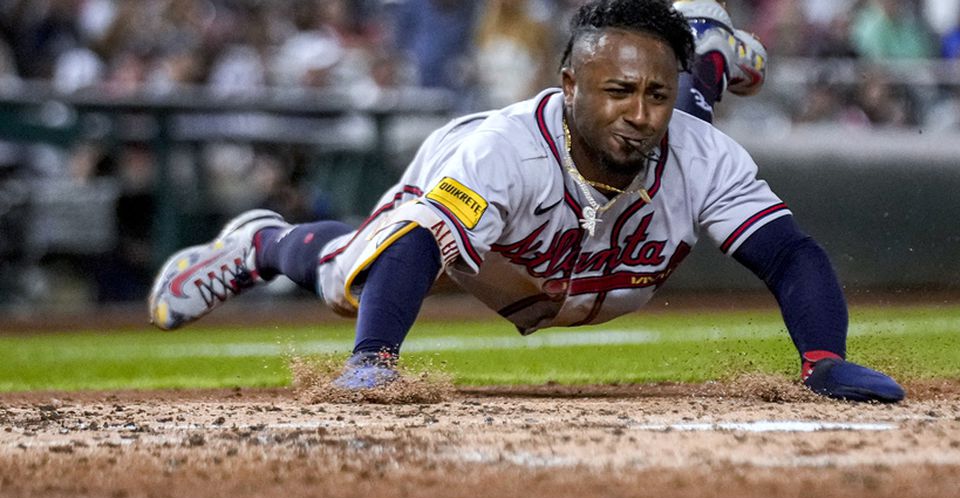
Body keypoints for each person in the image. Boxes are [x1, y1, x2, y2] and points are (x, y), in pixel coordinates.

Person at [147, 0, 905, 403]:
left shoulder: (685, 141)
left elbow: (790, 254)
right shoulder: (498, 155)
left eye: (655, 92)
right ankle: (258, 243)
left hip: (605, 275)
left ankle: (699, 49)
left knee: (669, 129)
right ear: (566, 86)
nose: (640, 109)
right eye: (611, 88)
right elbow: (416, 244)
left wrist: (823, 358)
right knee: (353, 277)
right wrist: (374, 361)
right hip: (507, 244)